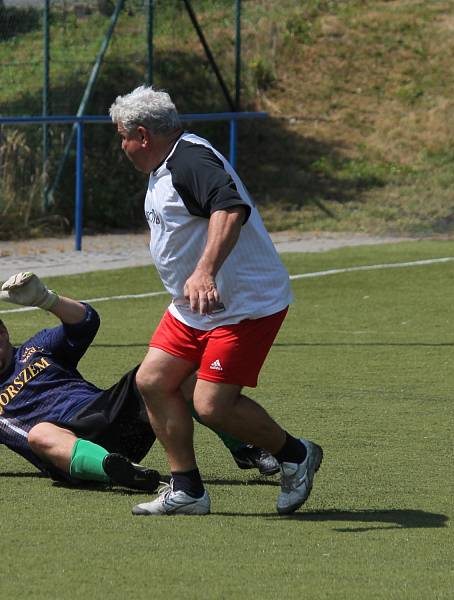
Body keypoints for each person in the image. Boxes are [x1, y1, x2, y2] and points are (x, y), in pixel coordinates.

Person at [109, 85, 323, 516]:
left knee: (210, 404)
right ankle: (187, 489)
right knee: (152, 381)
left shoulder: (190, 159)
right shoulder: (165, 166)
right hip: (194, 308)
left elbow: (229, 207)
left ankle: (296, 455)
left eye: (122, 137)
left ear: (143, 135)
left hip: (244, 306)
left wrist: (204, 270)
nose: (123, 147)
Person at [0, 271, 279, 490]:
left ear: (1, 330)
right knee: (39, 435)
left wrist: (46, 299)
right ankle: (124, 474)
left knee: (170, 374)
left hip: (109, 416)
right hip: (69, 452)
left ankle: (247, 449)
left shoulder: (38, 347)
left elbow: (85, 322)